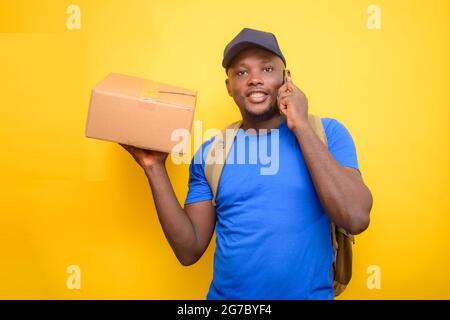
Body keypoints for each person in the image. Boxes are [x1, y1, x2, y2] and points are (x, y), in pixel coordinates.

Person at [120, 27, 373, 300]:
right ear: (229, 87)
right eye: (241, 72)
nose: (254, 79)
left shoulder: (328, 134)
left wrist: (300, 124)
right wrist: (153, 167)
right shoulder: (213, 153)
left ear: (287, 79)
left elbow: (356, 217)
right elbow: (188, 250)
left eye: (266, 69)